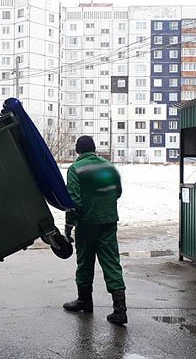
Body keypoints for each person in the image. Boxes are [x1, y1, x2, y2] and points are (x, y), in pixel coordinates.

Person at [62, 135, 127, 325]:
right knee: (112, 262)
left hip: (87, 223)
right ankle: (120, 309)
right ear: (94, 149)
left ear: (77, 151)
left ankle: (84, 301)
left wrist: (69, 225)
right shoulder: (108, 166)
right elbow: (118, 192)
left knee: (84, 262)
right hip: (108, 221)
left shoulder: (76, 169)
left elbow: (74, 200)